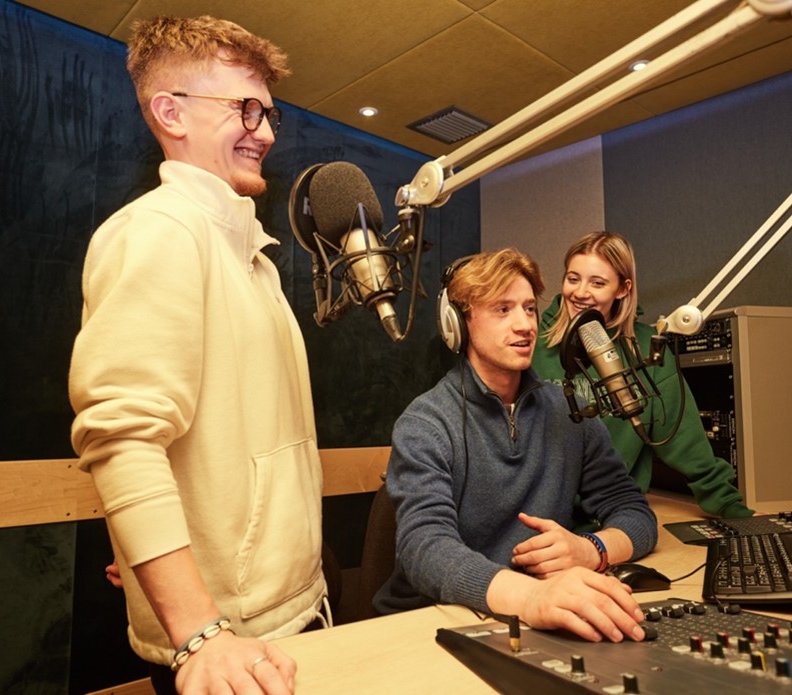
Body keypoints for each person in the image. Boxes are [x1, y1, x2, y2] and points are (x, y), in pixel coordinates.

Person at [68, 16, 327, 695]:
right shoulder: (158, 232)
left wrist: (150, 548)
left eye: (267, 112)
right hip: (225, 643)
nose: (265, 132)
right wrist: (197, 630)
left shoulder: (253, 259)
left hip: (289, 613)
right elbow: (121, 436)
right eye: (244, 108)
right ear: (169, 112)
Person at [374, 248, 657, 643]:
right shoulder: (426, 424)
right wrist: (532, 596)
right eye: (502, 310)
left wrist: (592, 549)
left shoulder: (568, 410)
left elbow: (633, 512)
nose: (524, 324)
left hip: (528, 617)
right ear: (459, 323)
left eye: (528, 308)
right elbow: (426, 549)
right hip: (431, 623)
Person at [533, 231, 753, 520]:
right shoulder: (532, 344)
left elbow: (689, 446)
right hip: (540, 514)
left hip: (613, 517)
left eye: (597, 283)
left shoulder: (647, 351)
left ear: (623, 289)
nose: (580, 292)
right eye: (573, 278)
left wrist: (735, 512)